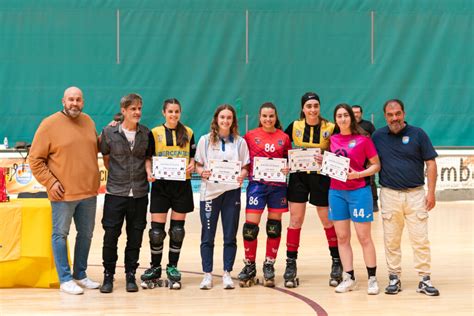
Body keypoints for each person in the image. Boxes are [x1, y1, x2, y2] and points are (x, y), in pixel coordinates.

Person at [29, 86, 100, 295]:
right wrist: (50, 183)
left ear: (83, 102)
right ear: (63, 101)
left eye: (78, 100)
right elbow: (35, 159)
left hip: (88, 191)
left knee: (86, 234)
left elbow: (95, 147)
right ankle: (65, 279)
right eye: (71, 99)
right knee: (60, 234)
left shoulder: (88, 121)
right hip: (63, 194)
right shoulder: (49, 124)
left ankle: (80, 274)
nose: (74, 103)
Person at [372, 99, 440, 296]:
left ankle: (424, 279)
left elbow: (431, 164)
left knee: (421, 239)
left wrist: (431, 192)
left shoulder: (418, 134)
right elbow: (368, 160)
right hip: (389, 194)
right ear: (385, 116)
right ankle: (394, 277)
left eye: (398, 113)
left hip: (416, 195)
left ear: (404, 113)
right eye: (390, 115)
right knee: (391, 240)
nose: (395, 118)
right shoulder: (377, 136)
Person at [282, 92, 342, 288]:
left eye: (316, 105)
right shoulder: (294, 126)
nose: (313, 109)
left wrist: (326, 155)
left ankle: (336, 262)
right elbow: (282, 148)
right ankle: (290, 264)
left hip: (321, 178)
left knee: (327, 220)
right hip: (299, 177)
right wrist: (284, 164)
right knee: (295, 220)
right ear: (303, 108)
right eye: (309, 106)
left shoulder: (330, 127)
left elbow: (338, 151)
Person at [98, 93, 153, 293]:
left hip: (139, 194)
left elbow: (148, 158)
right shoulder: (108, 132)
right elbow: (106, 158)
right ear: (123, 111)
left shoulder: (146, 134)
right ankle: (108, 275)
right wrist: (119, 176)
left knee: (135, 236)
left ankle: (131, 274)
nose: (137, 112)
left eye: (139, 108)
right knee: (110, 236)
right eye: (133, 109)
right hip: (115, 193)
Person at [140, 98, 195, 290]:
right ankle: (155, 267)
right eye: (170, 111)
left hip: (182, 186)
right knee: (156, 232)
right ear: (164, 112)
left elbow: (193, 158)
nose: (173, 115)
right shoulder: (154, 133)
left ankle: (172, 267)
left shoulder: (188, 132)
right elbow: (148, 158)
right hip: (161, 187)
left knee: (177, 230)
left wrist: (193, 164)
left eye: (176, 112)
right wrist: (149, 172)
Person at [195, 104, 250, 290]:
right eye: (222, 117)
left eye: (229, 118)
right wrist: (202, 172)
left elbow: (245, 166)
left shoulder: (240, 142)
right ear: (216, 119)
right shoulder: (204, 140)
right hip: (210, 193)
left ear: (233, 121)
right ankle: (207, 275)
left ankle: (227, 273)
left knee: (230, 235)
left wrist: (242, 174)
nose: (225, 121)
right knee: (207, 235)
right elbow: (198, 165)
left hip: (232, 192)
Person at [237, 102, 292, 287]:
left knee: (274, 227)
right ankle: (249, 265)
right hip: (257, 187)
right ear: (260, 118)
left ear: (276, 117)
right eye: (264, 116)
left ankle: (269, 264)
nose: (268, 119)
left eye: (271, 116)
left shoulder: (283, 137)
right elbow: (243, 160)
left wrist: (287, 168)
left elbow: (288, 161)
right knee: (250, 228)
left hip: (277, 188)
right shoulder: (250, 136)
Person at [328, 104, 381, 295]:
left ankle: (372, 279)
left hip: (359, 192)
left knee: (364, 237)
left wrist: (358, 175)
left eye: (345, 115)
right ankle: (348, 277)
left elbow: (376, 166)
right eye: (339, 116)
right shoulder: (332, 140)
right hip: (336, 192)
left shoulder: (363, 140)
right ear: (335, 120)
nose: (342, 119)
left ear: (351, 117)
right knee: (342, 237)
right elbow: (330, 164)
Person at [352, 105, 379, 212]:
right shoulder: (348, 126)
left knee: (371, 181)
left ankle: (374, 203)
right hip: (353, 159)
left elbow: (375, 140)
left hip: (368, 159)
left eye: (358, 112)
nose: (356, 114)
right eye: (353, 112)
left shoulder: (368, 125)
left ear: (361, 113)